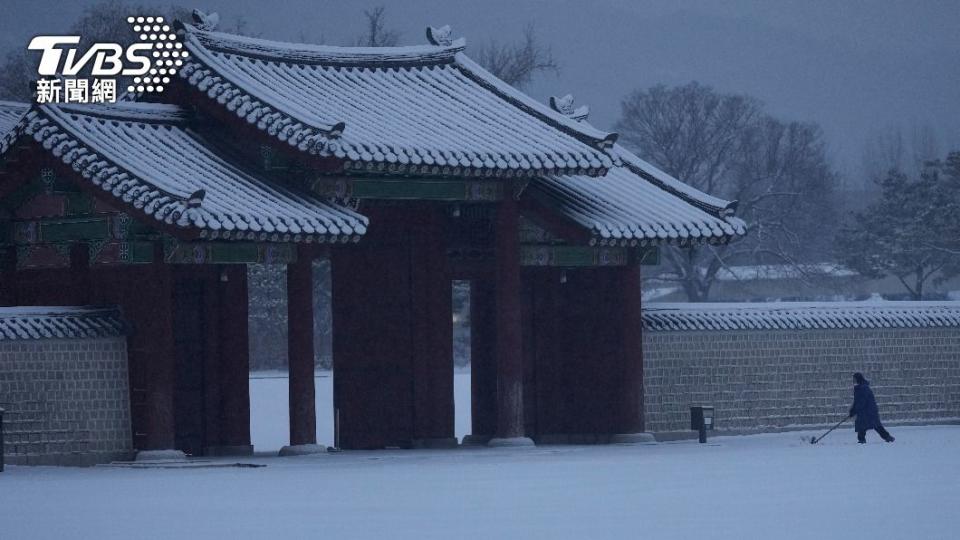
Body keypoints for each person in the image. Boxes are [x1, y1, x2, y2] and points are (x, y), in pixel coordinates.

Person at [848, 372, 894, 443]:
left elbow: (861, 402)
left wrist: (854, 410)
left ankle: (887, 437)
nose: (853, 381)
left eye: (854, 379)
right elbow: (857, 401)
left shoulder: (863, 388)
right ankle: (862, 439)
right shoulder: (860, 387)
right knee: (864, 425)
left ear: (858, 379)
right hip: (865, 411)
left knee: (873, 425)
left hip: (869, 411)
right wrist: (853, 409)